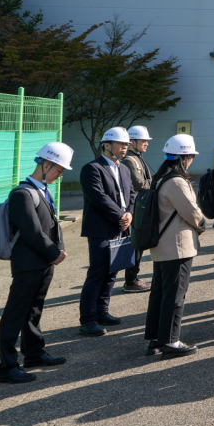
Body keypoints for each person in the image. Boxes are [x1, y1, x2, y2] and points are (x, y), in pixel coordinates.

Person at [0, 141, 73, 384]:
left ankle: (34, 353)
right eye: (59, 170)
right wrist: (54, 253)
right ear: (46, 164)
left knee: (34, 310)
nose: (60, 176)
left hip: (42, 263)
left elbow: (51, 225)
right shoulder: (21, 193)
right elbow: (32, 231)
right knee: (15, 313)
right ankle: (7, 366)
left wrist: (57, 250)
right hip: (28, 263)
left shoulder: (42, 190)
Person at [143, 134, 206, 358]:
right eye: (190, 156)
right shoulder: (177, 181)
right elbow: (191, 212)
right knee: (176, 295)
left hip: (162, 245)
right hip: (177, 246)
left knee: (159, 293)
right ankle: (171, 341)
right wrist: (201, 223)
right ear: (185, 157)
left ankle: (155, 339)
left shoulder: (160, 178)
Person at [78, 126, 136, 337]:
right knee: (97, 272)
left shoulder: (124, 168)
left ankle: (102, 311)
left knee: (112, 272)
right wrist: (120, 216)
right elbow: (98, 197)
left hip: (121, 226)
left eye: (126, 144)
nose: (124, 148)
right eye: (121, 144)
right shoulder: (92, 168)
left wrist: (129, 213)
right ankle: (88, 319)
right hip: (101, 228)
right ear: (107, 144)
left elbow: (130, 195)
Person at [121, 126, 154, 293]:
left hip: (139, 207)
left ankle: (132, 279)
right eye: (143, 141)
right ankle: (131, 281)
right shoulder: (129, 160)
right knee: (136, 245)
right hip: (135, 209)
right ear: (132, 142)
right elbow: (139, 184)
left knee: (138, 246)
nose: (146, 143)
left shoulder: (137, 157)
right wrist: (157, 183)